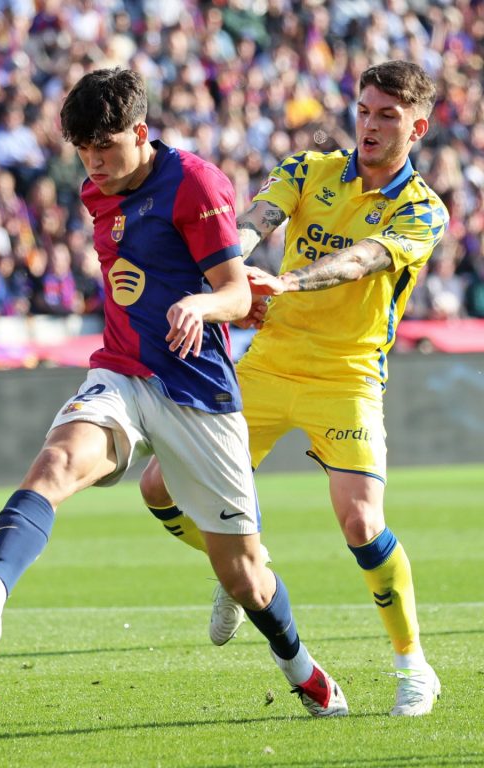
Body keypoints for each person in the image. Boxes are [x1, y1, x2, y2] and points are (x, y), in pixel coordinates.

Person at [0, 68, 347, 717]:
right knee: (56, 463)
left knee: (246, 578)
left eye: (105, 146)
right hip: (122, 372)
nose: (93, 163)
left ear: (141, 132)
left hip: (198, 390)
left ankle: (303, 669)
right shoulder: (97, 190)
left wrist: (201, 305)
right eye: (82, 150)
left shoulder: (194, 184)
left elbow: (237, 293)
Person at [139, 60, 447, 717]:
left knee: (362, 523)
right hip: (270, 361)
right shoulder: (310, 168)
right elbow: (255, 220)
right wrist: (237, 268)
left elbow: (363, 259)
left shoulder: (424, 209)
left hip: (347, 373)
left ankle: (413, 666)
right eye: (364, 110)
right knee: (158, 487)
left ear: (417, 128)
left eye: (387, 115)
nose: (369, 124)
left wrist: (288, 282)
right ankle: (245, 564)